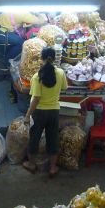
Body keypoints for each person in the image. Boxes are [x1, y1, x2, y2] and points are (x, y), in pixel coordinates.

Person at [24, 47, 66, 178]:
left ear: (41, 59)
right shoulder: (60, 73)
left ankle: (32, 164)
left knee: (34, 138)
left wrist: (27, 115)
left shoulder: (37, 77)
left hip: (39, 113)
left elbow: (36, 98)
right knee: (52, 139)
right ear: (54, 59)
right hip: (54, 111)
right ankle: (52, 168)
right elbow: (64, 88)